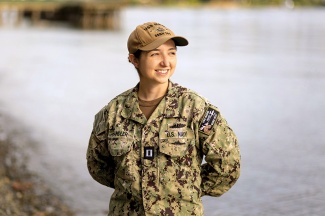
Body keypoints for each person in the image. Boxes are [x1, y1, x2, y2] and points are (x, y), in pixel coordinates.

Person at [86, 21, 240, 216]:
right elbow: (97, 165)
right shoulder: (112, 113)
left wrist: (187, 189)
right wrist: (133, 186)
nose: (166, 62)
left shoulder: (196, 108)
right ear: (134, 60)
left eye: (172, 53)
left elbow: (227, 166)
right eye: (155, 54)